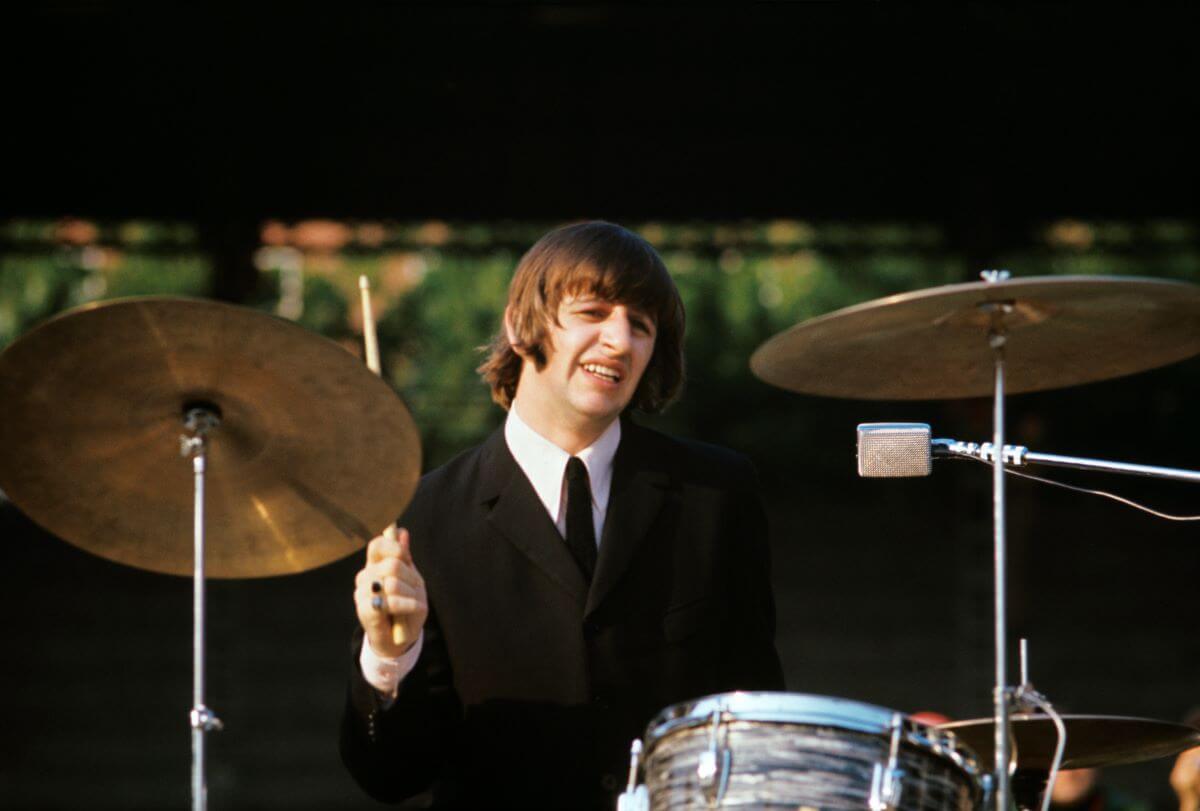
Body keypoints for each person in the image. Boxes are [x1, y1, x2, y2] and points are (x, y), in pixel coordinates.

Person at [339, 221, 785, 809]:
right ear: (520, 326)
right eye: (594, 312)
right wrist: (389, 656)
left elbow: (758, 718)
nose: (620, 340)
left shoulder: (718, 493)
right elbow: (390, 777)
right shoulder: (420, 517)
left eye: (641, 325)